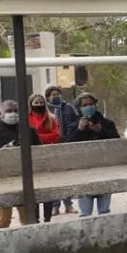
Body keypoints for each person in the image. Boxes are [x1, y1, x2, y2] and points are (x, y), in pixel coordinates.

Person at [67, 92, 120, 216]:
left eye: (91, 104)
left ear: (95, 105)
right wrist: (80, 130)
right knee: (85, 213)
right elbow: (68, 147)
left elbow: (117, 141)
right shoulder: (73, 126)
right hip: (83, 174)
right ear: (79, 108)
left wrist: (100, 131)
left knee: (104, 212)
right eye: (84, 105)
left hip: (104, 171)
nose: (88, 107)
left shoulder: (107, 123)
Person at [0, 100, 41, 228]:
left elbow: (40, 151)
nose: (13, 114)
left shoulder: (29, 130)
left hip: (25, 179)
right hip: (2, 180)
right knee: (2, 221)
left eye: (16, 111)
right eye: (9, 111)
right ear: (1, 113)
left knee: (28, 219)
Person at [44, 85, 78, 215]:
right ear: (48, 97)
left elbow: (75, 122)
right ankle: (55, 206)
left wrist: (69, 135)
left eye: (58, 93)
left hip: (65, 145)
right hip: (50, 147)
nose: (56, 96)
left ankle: (68, 205)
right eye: (53, 94)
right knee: (53, 178)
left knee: (66, 177)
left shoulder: (68, 107)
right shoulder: (46, 110)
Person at [28, 94, 61, 223]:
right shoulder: (27, 118)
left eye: (41, 102)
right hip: (32, 157)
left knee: (47, 190)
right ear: (31, 104)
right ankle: (35, 218)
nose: (39, 105)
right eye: (36, 103)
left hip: (47, 157)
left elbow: (56, 135)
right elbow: (25, 136)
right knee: (34, 190)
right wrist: (43, 136)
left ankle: (47, 219)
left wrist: (37, 136)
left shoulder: (51, 118)